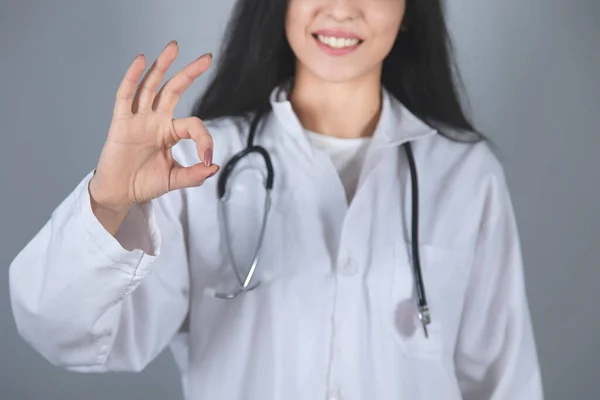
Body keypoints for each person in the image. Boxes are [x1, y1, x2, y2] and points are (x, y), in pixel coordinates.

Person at [9, 0, 544, 399]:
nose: (341, 9)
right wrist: (107, 202)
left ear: (408, 11)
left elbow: (505, 380)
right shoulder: (196, 163)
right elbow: (67, 336)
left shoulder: (466, 174)